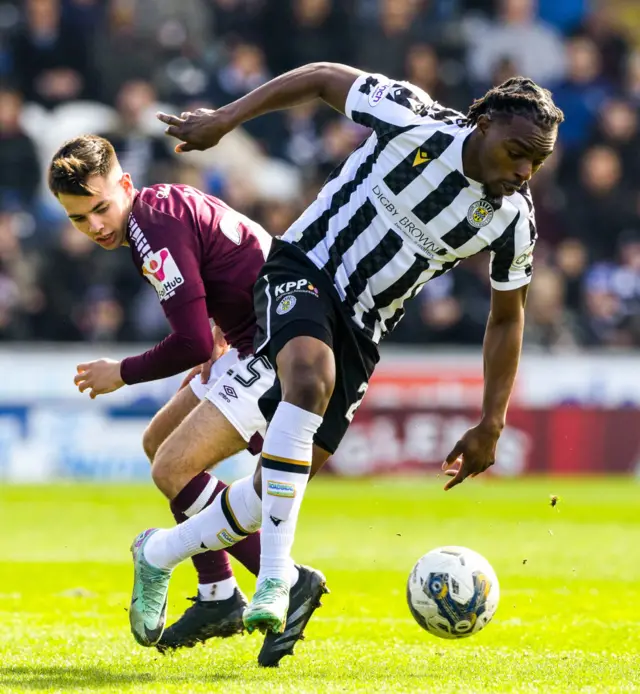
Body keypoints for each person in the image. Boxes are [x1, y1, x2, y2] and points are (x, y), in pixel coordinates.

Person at [138, 61, 563, 645]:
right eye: (517, 152)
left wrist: (493, 420)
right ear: (482, 124)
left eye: (536, 162)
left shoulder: (513, 218)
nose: (524, 171)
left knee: (274, 490)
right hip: (303, 268)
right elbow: (320, 78)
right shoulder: (412, 120)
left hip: (363, 331)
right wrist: (226, 118)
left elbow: (507, 316)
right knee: (307, 381)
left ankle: (159, 552)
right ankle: (275, 584)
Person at [47, 135, 328, 661]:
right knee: (158, 442)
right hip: (248, 334)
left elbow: (191, 342)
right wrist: (219, 331)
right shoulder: (159, 206)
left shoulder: (149, 229)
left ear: (125, 185)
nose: (96, 227)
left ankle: (288, 581)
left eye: (102, 208)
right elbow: (231, 264)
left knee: (171, 467)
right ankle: (219, 595)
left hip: (274, 343)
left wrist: (122, 373)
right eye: (79, 219)